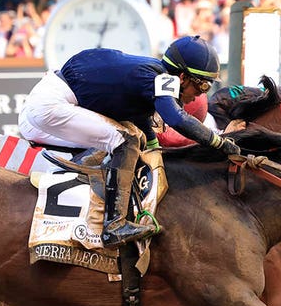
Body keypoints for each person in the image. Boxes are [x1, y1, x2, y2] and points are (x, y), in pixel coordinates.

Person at [18, 35, 238, 247]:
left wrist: (154, 150)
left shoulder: (149, 74)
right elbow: (176, 118)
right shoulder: (162, 78)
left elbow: (144, 127)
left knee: (130, 138)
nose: (199, 96)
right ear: (182, 77)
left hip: (41, 106)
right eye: (202, 86)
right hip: (50, 106)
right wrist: (219, 143)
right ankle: (114, 226)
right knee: (126, 141)